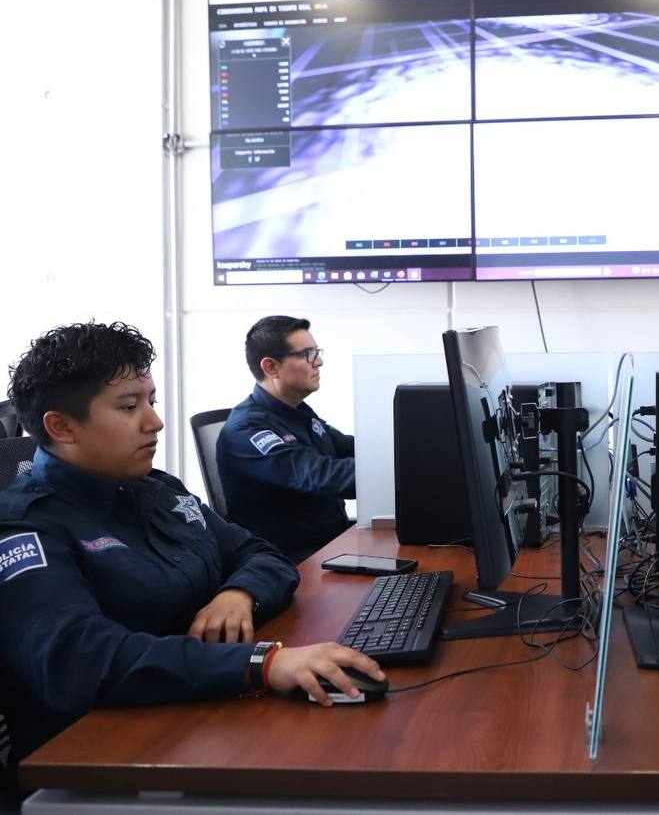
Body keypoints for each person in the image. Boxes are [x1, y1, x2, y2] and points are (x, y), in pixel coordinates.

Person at [0, 322, 383, 806]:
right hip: (100, 765)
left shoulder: (156, 490)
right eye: (128, 407)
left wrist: (238, 593)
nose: (154, 422)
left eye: (151, 401)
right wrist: (262, 662)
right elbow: (82, 660)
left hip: (198, 716)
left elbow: (261, 554)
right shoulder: (25, 528)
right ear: (61, 427)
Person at [218, 316, 354, 563]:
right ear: (271, 367)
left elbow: (348, 448)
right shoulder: (248, 430)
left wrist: (413, 449)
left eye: (317, 352)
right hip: (288, 563)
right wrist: (407, 470)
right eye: (307, 354)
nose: (319, 362)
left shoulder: (298, 412)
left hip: (331, 547)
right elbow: (321, 476)